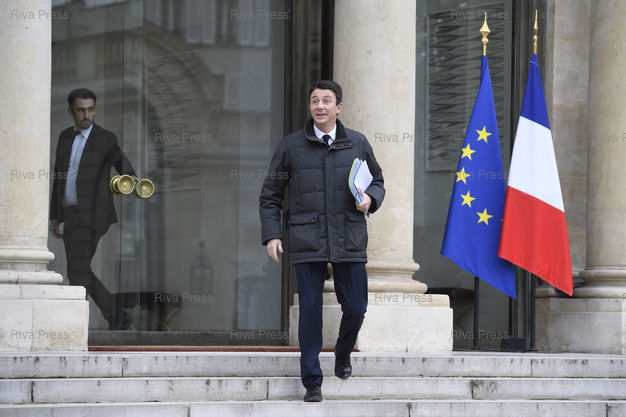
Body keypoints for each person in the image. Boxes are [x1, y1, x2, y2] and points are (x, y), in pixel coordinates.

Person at [259, 80, 385, 402]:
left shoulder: (357, 143)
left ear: (338, 107)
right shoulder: (291, 146)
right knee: (310, 312)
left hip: (348, 235)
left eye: (326, 101)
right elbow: (271, 195)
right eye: (315, 100)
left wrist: (370, 199)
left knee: (356, 307)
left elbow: (378, 181)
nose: (320, 106)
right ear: (310, 106)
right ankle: (312, 382)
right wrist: (272, 234)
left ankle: (343, 353)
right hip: (307, 237)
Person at [50, 88, 137, 330]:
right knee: (77, 271)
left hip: (95, 216)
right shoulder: (64, 137)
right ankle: (110, 319)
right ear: (71, 111)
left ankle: (94, 321)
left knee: (77, 268)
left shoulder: (105, 138)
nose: (86, 115)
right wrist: (55, 216)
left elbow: (124, 165)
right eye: (81, 110)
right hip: (71, 215)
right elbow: (58, 178)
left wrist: (132, 180)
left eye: (90, 110)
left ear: (95, 110)